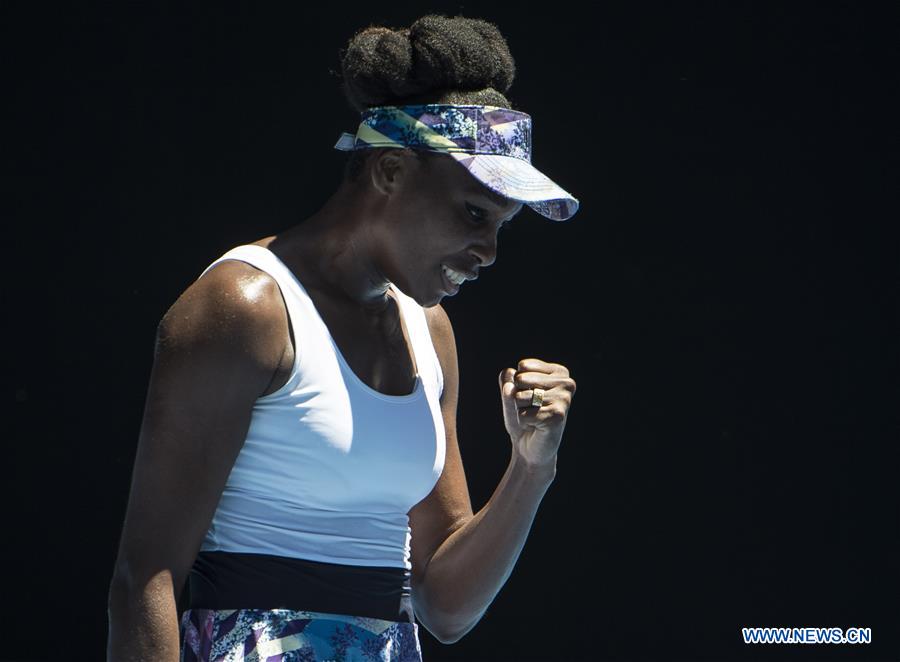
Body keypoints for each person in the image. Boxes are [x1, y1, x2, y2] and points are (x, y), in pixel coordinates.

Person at [107, 13, 579, 661]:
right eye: (475, 213)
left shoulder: (430, 332)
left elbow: (444, 607)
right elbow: (143, 582)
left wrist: (532, 468)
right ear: (390, 170)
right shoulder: (246, 306)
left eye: (502, 226)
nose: (489, 251)